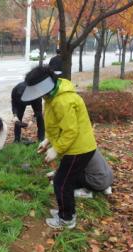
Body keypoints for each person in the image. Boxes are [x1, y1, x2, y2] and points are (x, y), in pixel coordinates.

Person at [23, 66, 97, 229]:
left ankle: (66, 219)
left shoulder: (62, 101)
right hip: (75, 147)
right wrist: (48, 141)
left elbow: (70, 131)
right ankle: (67, 212)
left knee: (61, 183)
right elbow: (59, 125)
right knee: (65, 181)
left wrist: (56, 149)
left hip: (78, 149)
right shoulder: (53, 96)